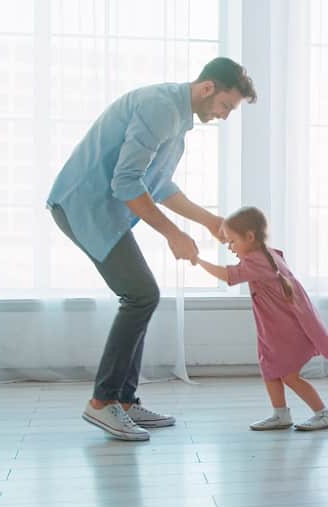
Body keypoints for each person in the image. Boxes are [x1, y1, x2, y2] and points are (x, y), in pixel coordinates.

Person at [47, 58, 256, 441]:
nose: (225, 116)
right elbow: (126, 183)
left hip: (100, 208)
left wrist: (210, 222)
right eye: (227, 106)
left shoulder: (176, 118)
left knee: (141, 295)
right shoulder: (161, 108)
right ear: (208, 87)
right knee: (141, 294)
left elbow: (158, 186)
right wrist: (173, 234)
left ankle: (124, 402)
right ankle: (102, 403)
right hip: (81, 205)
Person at [196, 207, 328, 431]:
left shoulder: (257, 261)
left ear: (250, 237)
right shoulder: (265, 254)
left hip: (286, 331)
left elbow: (228, 275)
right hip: (273, 329)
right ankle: (280, 414)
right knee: (270, 370)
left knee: (290, 376)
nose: (231, 248)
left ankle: (323, 414)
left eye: (232, 242)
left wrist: (197, 260)